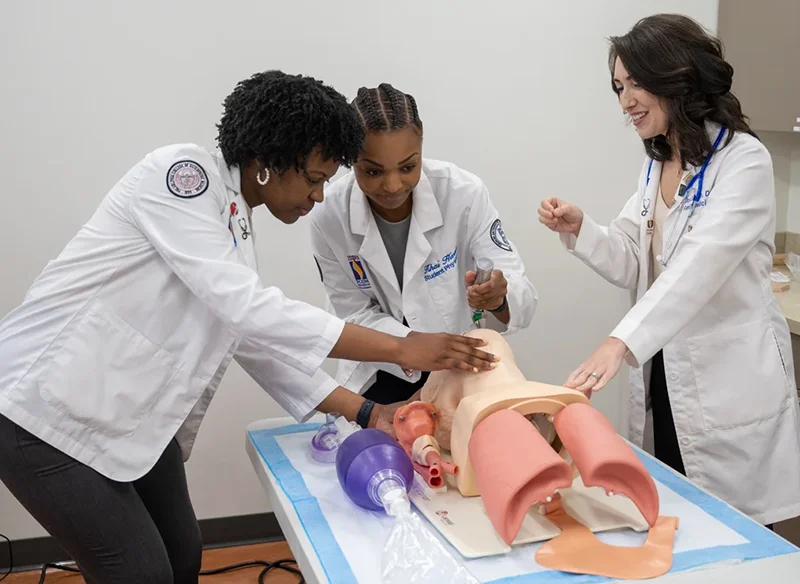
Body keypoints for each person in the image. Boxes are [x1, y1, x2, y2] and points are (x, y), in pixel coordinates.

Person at [0, 70, 499, 584]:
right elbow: (251, 310)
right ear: (265, 164)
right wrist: (401, 347)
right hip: (40, 411)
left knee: (182, 553)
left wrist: (369, 412)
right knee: (139, 573)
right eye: (313, 178)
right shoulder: (180, 177)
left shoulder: (234, 224)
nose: (320, 195)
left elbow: (253, 338)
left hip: (122, 413)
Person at [538, 14, 800, 527]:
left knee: (734, 532)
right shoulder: (658, 163)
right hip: (666, 373)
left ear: (676, 75)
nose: (625, 100)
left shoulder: (743, 161)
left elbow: (697, 271)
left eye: (636, 82)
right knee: (676, 517)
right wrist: (581, 228)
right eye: (618, 87)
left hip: (727, 384)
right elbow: (636, 259)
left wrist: (619, 342)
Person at [309, 83, 537, 415]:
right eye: (372, 171)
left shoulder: (463, 194)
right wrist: (408, 345)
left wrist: (499, 298)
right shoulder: (328, 215)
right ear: (349, 159)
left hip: (458, 368)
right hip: (379, 370)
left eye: (407, 167)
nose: (392, 185)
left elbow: (522, 295)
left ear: (421, 145)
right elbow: (353, 314)